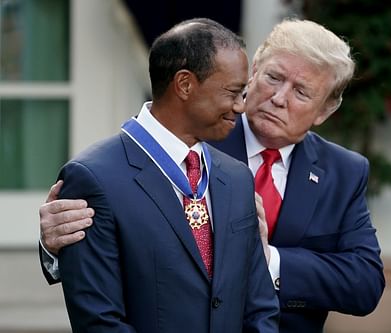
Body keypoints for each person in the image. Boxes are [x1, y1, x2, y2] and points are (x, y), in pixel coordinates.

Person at [39, 18, 385, 333]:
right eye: (273, 78)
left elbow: (365, 283)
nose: (278, 98)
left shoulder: (344, 171)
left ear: (325, 110)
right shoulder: (187, 137)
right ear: (253, 74)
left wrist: (271, 261)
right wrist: (56, 249)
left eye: (301, 92)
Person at [41, 18, 280, 332]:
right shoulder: (93, 178)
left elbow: (260, 308)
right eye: (233, 92)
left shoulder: (237, 178)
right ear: (184, 85)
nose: (240, 106)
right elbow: (99, 321)